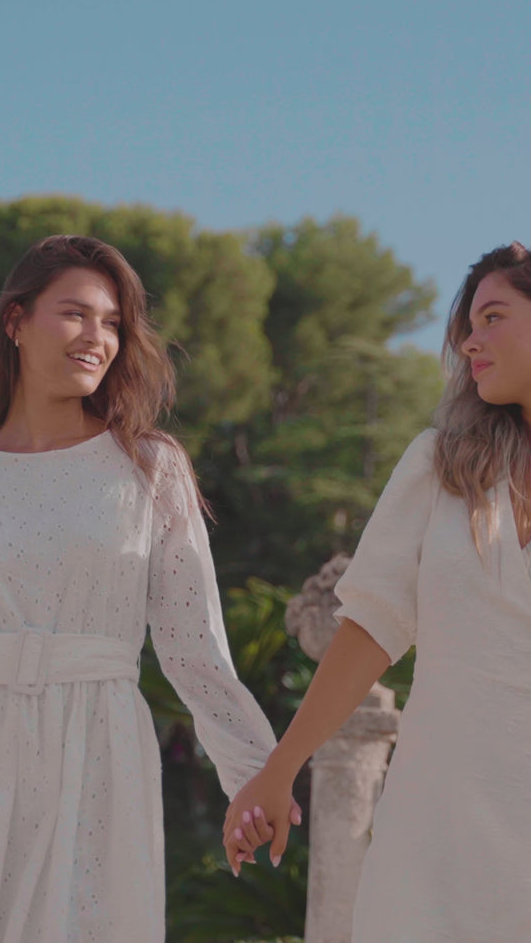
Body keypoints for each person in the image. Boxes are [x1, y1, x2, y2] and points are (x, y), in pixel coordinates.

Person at [0, 234, 298, 943]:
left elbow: (194, 647)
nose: (98, 337)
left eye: (112, 323)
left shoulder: (149, 468)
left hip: (96, 747)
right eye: (75, 313)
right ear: (16, 321)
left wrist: (255, 775)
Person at [224, 241, 531, 942]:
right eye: (467, 326)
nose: (469, 342)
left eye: (492, 317)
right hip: (437, 821)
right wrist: (281, 767)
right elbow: (369, 629)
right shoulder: (439, 465)